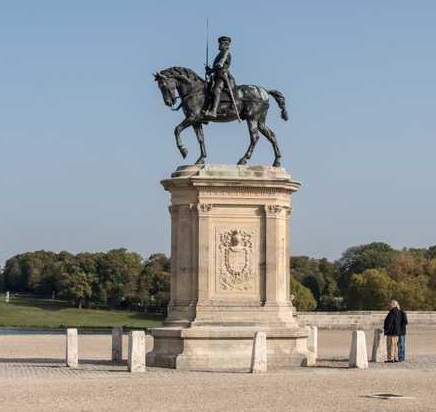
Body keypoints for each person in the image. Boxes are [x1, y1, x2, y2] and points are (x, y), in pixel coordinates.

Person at [204, 36, 233, 118]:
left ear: (225, 44)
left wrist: (210, 71)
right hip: (216, 76)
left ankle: (214, 111)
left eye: (220, 44)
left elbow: (220, 65)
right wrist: (209, 69)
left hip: (222, 76)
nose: (219, 45)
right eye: (219, 43)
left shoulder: (226, 53)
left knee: (216, 91)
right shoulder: (220, 53)